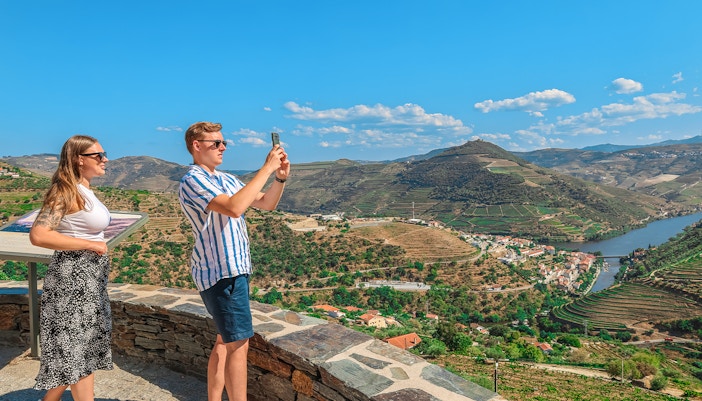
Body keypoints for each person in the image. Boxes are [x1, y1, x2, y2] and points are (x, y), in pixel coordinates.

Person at [178, 121, 290, 401]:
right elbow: (234, 208)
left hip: (234, 270)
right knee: (239, 346)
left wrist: (279, 178)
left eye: (224, 142)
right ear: (196, 146)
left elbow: (266, 203)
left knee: (224, 341)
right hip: (221, 272)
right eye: (216, 143)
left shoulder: (226, 179)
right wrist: (265, 168)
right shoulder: (192, 179)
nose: (223, 147)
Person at [29, 135, 112, 401]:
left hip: (89, 279)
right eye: (98, 155)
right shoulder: (65, 191)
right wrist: (88, 244)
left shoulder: (84, 190)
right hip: (73, 280)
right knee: (79, 350)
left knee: (80, 348)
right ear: (79, 159)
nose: (105, 159)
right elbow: (39, 235)